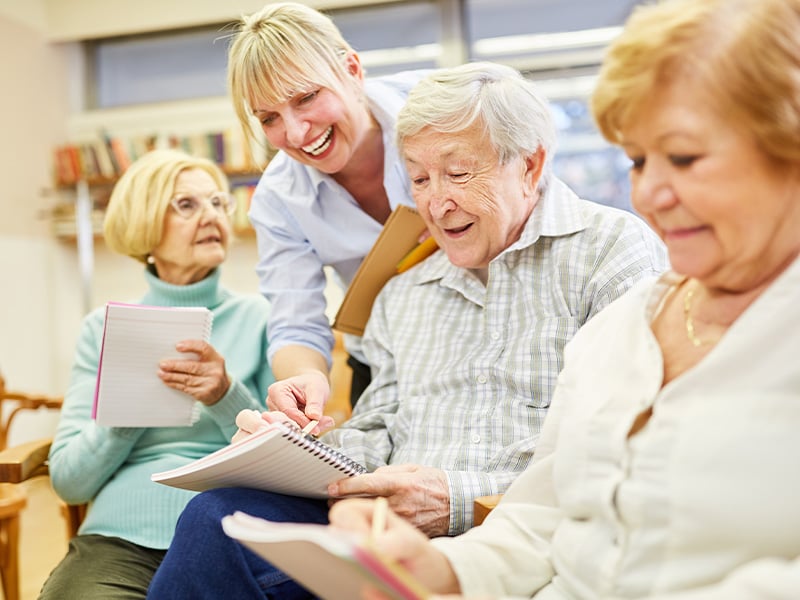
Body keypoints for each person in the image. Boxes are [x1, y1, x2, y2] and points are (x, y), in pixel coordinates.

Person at [327, 0, 800, 598]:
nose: (649, 192)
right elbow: (546, 509)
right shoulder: (630, 325)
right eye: (637, 160)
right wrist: (447, 572)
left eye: (682, 156)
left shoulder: (610, 262)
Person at [146, 61, 668, 599]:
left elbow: (624, 448)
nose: (435, 205)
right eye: (418, 178)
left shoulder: (608, 251)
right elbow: (377, 428)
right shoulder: (403, 292)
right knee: (215, 518)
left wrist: (458, 498)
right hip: (386, 526)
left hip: (514, 532)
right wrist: (291, 450)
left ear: (530, 166)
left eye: (459, 173)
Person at [40, 149, 274, 599]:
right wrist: (126, 413)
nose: (211, 215)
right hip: (119, 538)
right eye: (187, 204)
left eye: (218, 202)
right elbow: (69, 483)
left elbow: (287, 460)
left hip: (226, 533)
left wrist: (226, 396)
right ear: (145, 224)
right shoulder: (102, 329)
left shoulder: (259, 316)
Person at [227, 2, 426, 413]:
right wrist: (305, 379)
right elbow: (295, 322)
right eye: (269, 118)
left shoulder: (438, 112)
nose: (296, 134)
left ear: (352, 69)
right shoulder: (279, 199)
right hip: (387, 368)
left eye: (307, 98)